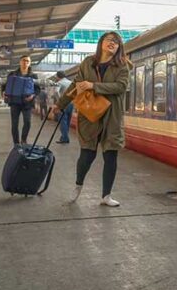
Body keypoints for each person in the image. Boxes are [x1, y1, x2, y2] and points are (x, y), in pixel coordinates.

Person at [54, 32, 131, 207]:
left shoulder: (122, 66)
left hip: (112, 116)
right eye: (109, 40)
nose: (112, 43)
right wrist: (60, 104)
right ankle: (78, 186)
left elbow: (121, 86)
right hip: (89, 115)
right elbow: (75, 85)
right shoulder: (88, 63)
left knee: (110, 155)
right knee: (87, 154)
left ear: (119, 47)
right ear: (101, 42)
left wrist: (93, 86)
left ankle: (106, 195)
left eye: (116, 42)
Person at [1, 55, 38, 145]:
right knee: (14, 124)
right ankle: (16, 143)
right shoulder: (12, 74)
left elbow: (37, 89)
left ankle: (23, 140)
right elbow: (5, 86)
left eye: (27, 61)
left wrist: (33, 96)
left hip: (27, 102)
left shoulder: (33, 76)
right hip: (14, 102)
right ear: (20, 62)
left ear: (29, 63)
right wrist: (3, 92)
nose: (25, 62)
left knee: (27, 122)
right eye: (23, 60)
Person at [51, 71, 73, 144]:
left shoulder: (59, 83)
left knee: (62, 121)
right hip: (71, 104)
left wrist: (59, 101)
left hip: (63, 104)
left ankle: (64, 138)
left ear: (58, 76)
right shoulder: (70, 82)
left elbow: (56, 92)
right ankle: (65, 136)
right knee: (67, 121)